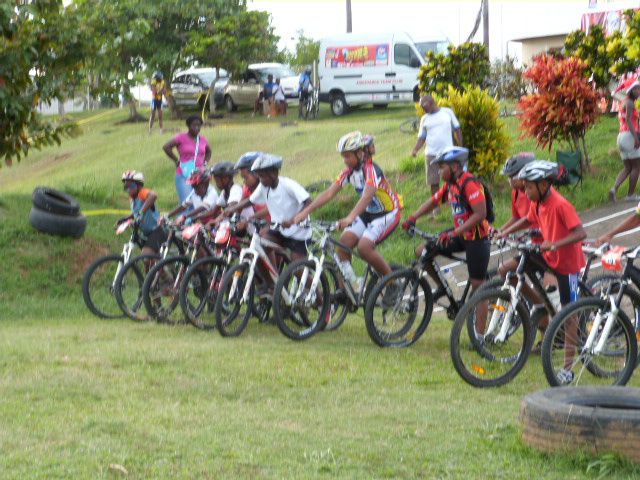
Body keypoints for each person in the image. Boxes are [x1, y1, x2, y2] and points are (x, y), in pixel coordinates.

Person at [497, 161, 587, 383]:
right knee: (512, 267)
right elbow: (528, 219)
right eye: (524, 187)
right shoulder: (538, 203)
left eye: (529, 187)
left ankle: (567, 368)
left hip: (567, 264)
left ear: (544, 184)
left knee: (569, 316)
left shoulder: (560, 204)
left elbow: (581, 233)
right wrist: (504, 232)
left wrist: (555, 244)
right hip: (548, 257)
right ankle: (540, 304)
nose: (525, 192)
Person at [289, 131, 401, 301]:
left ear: (360, 153)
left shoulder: (372, 170)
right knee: (343, 244)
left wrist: (350, 217)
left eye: (348, 156)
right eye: (343, 157)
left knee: (364, 248)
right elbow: (328, 194)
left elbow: (367, 196)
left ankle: (393, 284)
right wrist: (305, 212)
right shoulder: (348, 172)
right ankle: (347, 289)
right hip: (368, 213)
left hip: (387, 213)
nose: (345, 160)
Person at [402, 146, 490, 301]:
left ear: (455, 167)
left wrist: (453, 233)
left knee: (478, 287)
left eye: (441, 168)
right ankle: (443, 287)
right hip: (461, 234)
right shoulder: (451, 185)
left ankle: (481, 326)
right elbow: (433, 201)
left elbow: (480, 214)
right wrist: (413, 217)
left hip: (478, 239)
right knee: (422, 252)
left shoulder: (470, 184)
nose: (439, 172)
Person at [224, 153, 312, 264]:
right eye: (259, 176)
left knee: (298, 269)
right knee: (258, 251)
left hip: (298, 233)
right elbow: (251, 200)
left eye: (263, 176)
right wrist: (232, 208)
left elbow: (308, 201)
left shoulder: (288, 185)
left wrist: (294, 219)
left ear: (274, 173)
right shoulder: (264, 186)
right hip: (279, 229)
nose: (261, 180)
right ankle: (270, 281)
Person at [410, 94, 463, 216]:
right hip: (431, 154)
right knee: (433, 181)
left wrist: (460, 146)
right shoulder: (424, 118)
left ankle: (454, 202)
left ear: (431, 102)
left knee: (453, 178)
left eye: (424, 105)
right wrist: (415, 150)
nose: (423, 108)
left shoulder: (447, 112)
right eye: (421, 106)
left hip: (447, 153)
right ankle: (436, 207)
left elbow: (457, 129)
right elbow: (422, 138)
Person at [163, 115, 212, 204]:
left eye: (199, 125)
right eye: (194, 125)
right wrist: (176, 160)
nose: (197, 128)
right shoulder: (181, 137)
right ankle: (185, 217)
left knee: (200, 201)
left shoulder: (203, 139)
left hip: (199, 175)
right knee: (187, 201)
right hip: (184, 174)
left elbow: (208, 151)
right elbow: (166, 147)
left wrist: (205, 163)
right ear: (188, 126)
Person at [120, 170, 166, 256]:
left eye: (131, 186)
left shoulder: (142, 193)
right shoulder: (132, 198)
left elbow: (153, 196)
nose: (128, 189)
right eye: (126, 187)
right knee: (148, 262)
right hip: (145, 232)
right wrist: (127, 218)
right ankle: (158, 269)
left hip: (157, 229)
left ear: (139, 186)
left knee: (146, 255)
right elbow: (136, 213)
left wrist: (141, 213)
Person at [609, 79, 640, 202]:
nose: (639, 91)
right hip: (629, 136)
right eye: (637, 89)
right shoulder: (630, 104)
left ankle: (614, 189)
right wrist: (636, 138)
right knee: (637, 167)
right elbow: (628, 120)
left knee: (628, 167)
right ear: (631, 91)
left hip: (621, 137)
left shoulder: (623, 102)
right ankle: (630, 195)